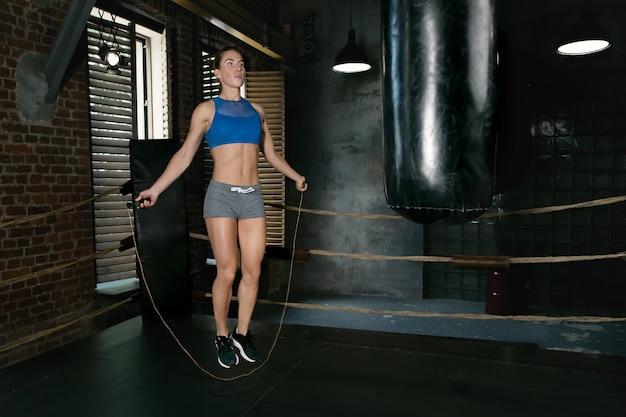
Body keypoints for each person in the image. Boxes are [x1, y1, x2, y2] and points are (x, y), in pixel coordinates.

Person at [135, 46, 307, 369]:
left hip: (252, 196)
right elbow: (185, 154)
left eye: (241, 64)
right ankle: (222, 335)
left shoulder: (257, 111)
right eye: (229, 64)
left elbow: (270, 154)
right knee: (227, 271)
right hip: (221, 197)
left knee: (253, 269)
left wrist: (296, 176)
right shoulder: (206, 110)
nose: (237, 68)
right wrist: (156, 189)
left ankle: (242, 334)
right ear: (217, 73)